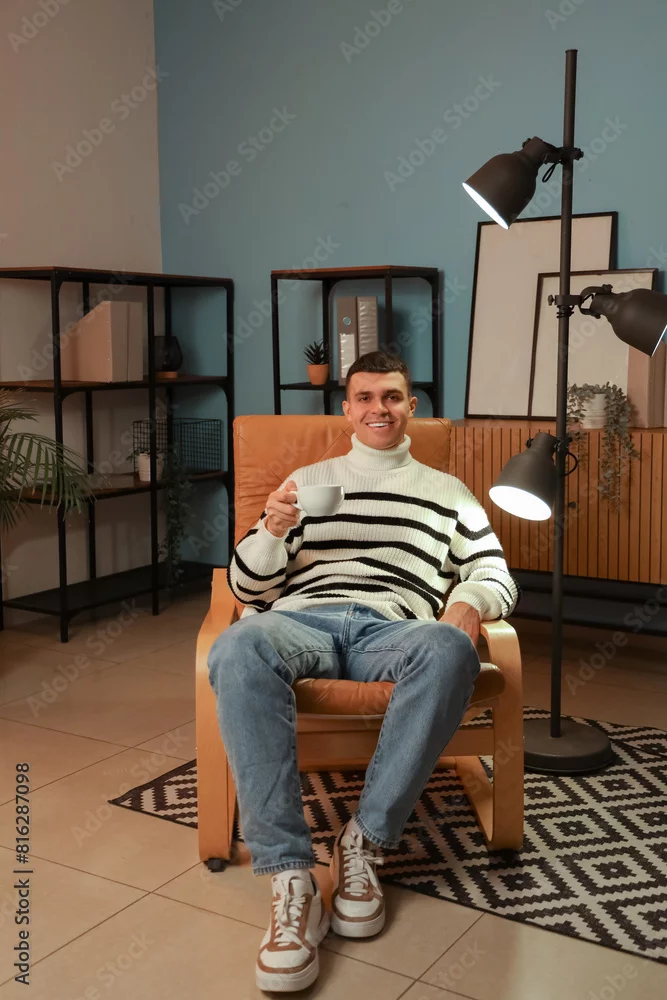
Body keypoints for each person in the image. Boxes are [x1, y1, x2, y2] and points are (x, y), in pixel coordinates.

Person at [208, 351, 518, 993]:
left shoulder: (449, 492)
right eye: (367, 398)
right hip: (301, 620)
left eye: (393, 397)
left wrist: (468, 600)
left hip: (393, 627)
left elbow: (494, 572)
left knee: (449, 648)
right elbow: (246, 589)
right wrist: (270, 532)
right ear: (347, 409)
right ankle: (291, 876)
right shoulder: (306, 479)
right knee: (237, 646)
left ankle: (365, 840)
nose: (380, 409)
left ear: (412, 407)